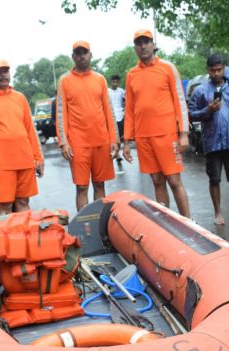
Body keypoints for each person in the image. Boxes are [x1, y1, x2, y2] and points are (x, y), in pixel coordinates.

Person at [123, 29, 191, 218]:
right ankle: (167, 224)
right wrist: (127, 141)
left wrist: (183, 133)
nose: (143, 46)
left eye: (146, 42)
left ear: (153, 44)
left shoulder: (167, 67)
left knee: (174, 180)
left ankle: (189, 223)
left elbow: (180, 101)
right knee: (157, 181)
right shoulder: (131, 75)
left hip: (167, 135)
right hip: (144, 137)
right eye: (139, 43)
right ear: (135, 48)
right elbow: (130, 109)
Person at [0, 58, 44, 215]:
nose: (2, 75)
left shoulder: (20, 98)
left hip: (25, 160)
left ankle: (23, 238)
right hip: (0, 164)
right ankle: (4, 239)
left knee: (23, 202)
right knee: (4, 206)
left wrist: (39, 158)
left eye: (5, 71)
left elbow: (30, 130)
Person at [56, 41, 118, 211]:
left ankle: (99, 226)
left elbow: (109, 112)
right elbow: (61, 114)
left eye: (85, 52)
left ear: (91, 55)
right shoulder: (64, 80)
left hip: (101, 141)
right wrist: (64, 143)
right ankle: (84, 227)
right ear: (73, 57)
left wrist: (114, 139)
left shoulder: (100, 79)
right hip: (78, 144)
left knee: (99, 185)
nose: (82, 56)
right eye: (78, 53)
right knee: (82, 187)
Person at [188, 53, 229, 225]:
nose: (216, 73)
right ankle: (218, 213)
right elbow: (191, 114)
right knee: (214, 179)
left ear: (224, 68)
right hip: (211, 142)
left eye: (219, 70)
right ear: (208, 71)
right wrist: (207, 110)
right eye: (213, 70)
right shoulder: (200, 91)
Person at [108, 74, 126, 172]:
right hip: (111, 117)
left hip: (120, 116)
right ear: (111, 82)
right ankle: (117, 153)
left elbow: (127, 100)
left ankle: (117, 152)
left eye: (116, 81)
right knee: (114, 137)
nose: (115, 83)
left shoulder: (122, 91)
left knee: (120, 137)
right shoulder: (107, 91)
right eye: (113, 81)